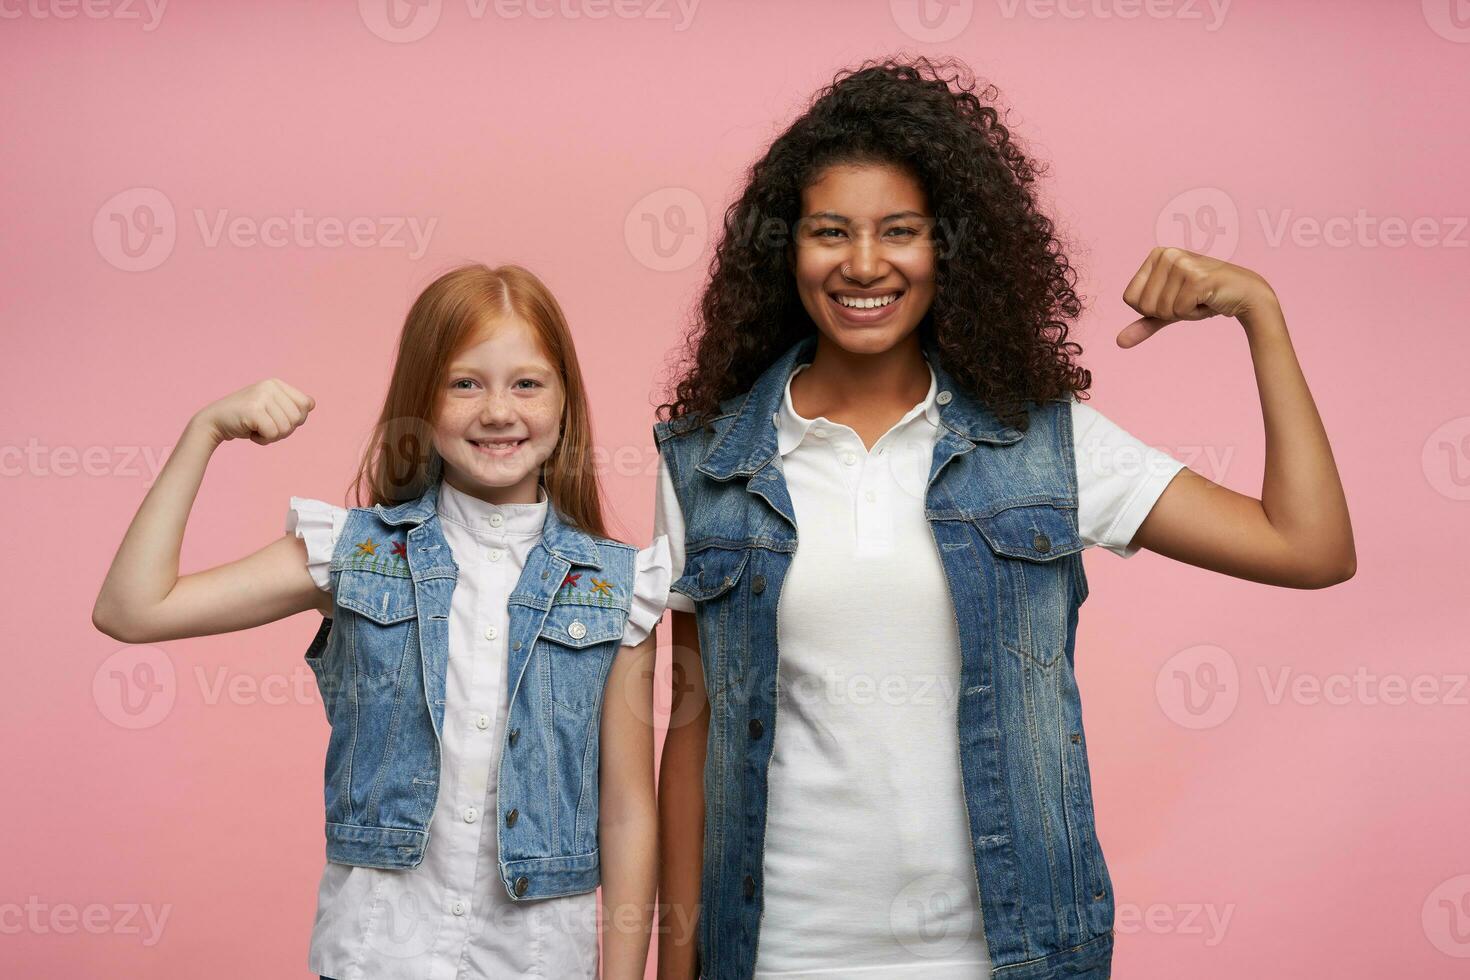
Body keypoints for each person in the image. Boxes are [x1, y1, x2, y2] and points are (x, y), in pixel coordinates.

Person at [652, 58, 1354, 980]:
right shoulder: (706, 460)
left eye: (900, 232)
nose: (865, 264)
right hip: (778, 952)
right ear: (786, 251)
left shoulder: (1047, 448)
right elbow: (693, 724)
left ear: (951, 249)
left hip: (1003, 955)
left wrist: (1260, 312)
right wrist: (675, 957)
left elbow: (1310, 548)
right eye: (831, 232)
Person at [92, 263, 666, 979]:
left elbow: (628, 812)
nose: (497, 410)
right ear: (420, 400)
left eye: (527, 383)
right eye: (465, 383)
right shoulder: (351, 553)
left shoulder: (617, 586)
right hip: (376, 956)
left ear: (565, 400)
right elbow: (131, 610)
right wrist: (203, 431)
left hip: (540, 961)